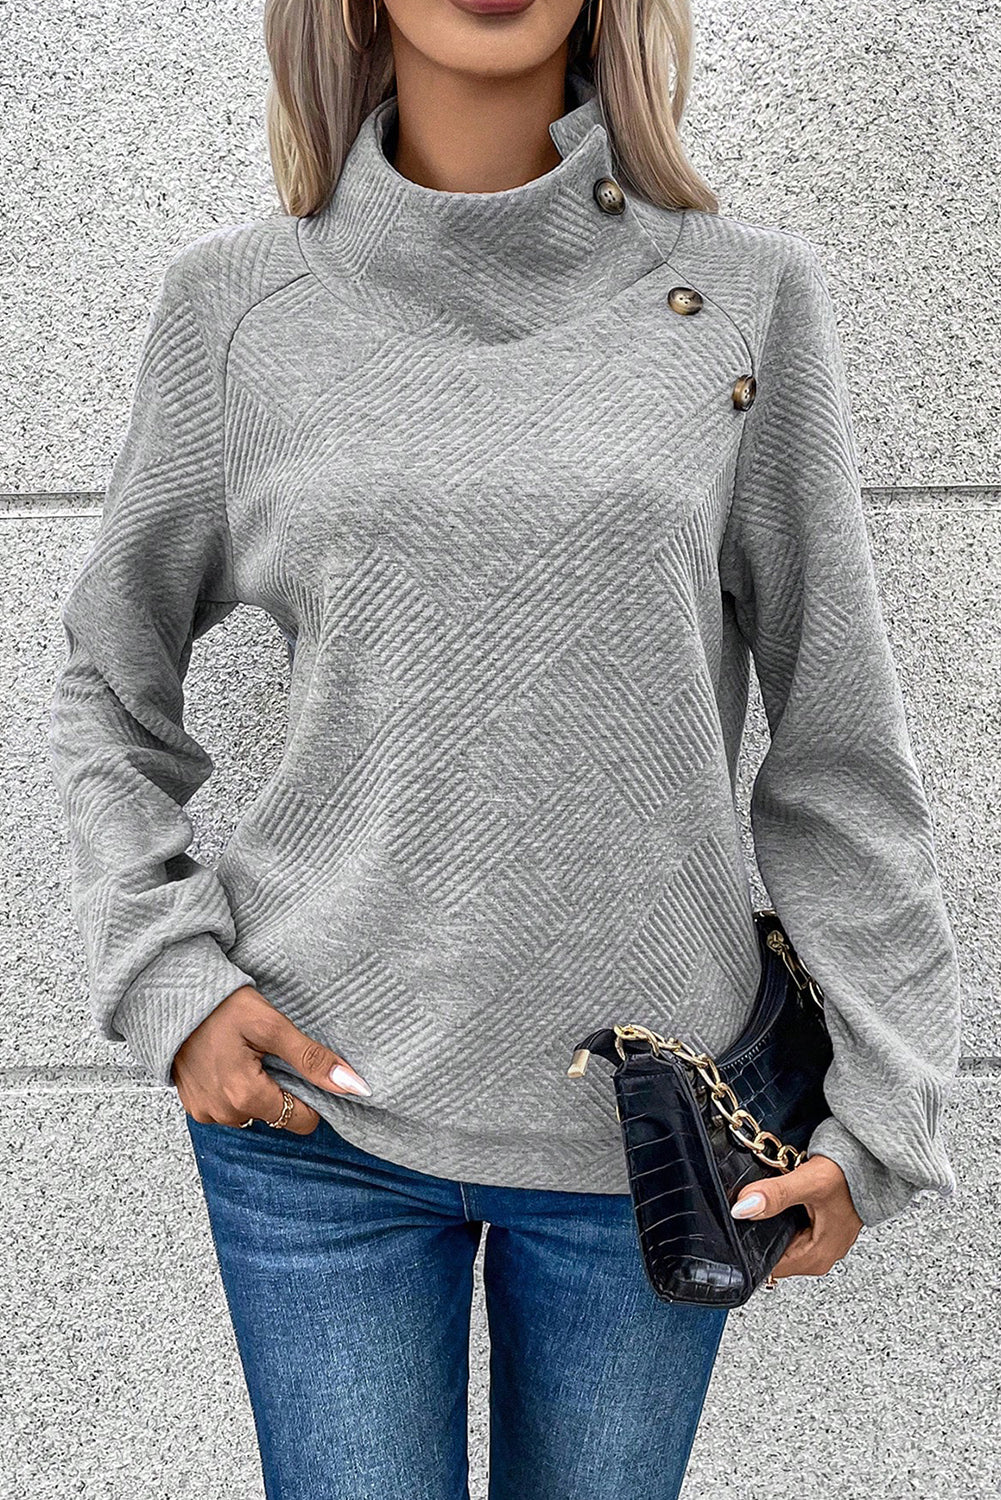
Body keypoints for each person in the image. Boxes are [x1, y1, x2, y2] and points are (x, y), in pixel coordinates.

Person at [48, 0, 962, 1495]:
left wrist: (884, 1112)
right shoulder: (236, 310)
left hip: (649, 1132)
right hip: (316, 1126)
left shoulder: (743, 300)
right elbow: (108, 678)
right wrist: (165, 971)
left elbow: (838, 746)